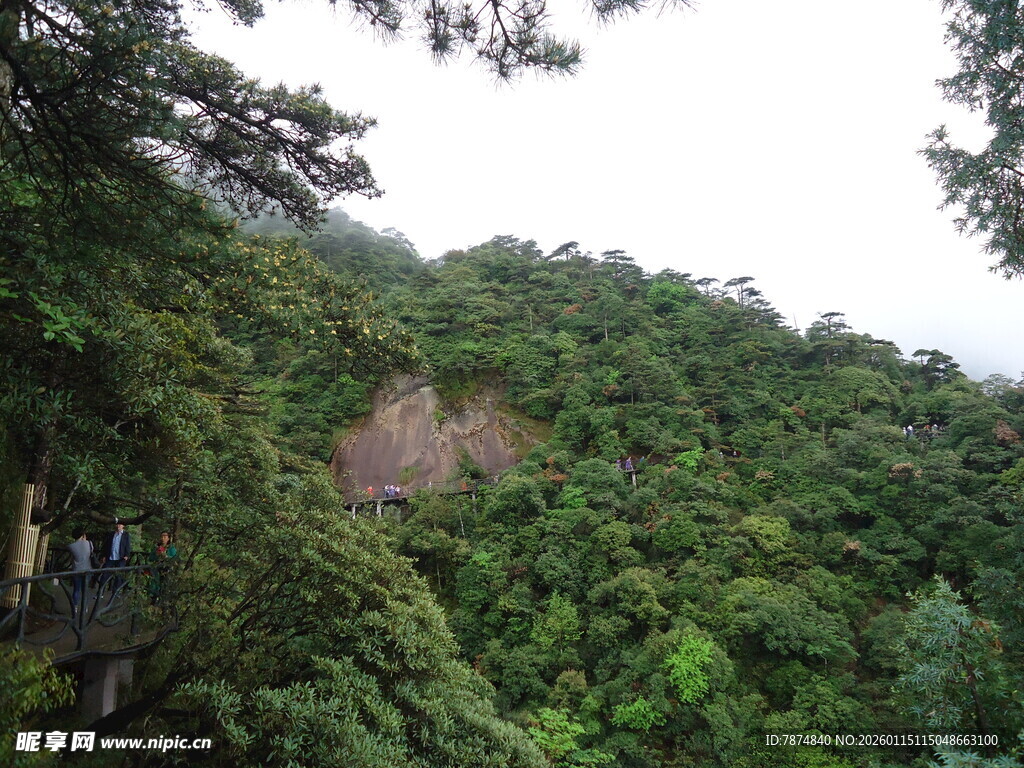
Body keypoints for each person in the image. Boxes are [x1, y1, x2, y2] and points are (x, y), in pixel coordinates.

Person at [67, 527, 93, 617]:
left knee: (76, 589)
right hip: (87, 569)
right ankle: (84, 607)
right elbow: (90, 553)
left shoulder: (71, 546)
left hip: (76, 570)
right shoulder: (89, 543)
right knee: (85, 589)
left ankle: (74, 607)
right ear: (83, 535)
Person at [99, 521, 132, 589]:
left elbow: (128, 546)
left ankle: (115, 592)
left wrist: (127, 555)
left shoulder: (126, 535)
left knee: (118, 576)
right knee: (104, 574)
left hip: (120, 558)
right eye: (117, 524)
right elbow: (106, 545)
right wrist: (104, 555)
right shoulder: (111, 534)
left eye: (120, 524)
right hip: (110, 557)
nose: (118, 526)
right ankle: (100, 593)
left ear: (123, 526)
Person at [147, 531, 177, 601]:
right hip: (157, 568)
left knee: (164, 585)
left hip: (166, 569)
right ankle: (153, 598)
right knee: (155, 583)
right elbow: (151, 558)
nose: (163, 538)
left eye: (165, 537)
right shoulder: (157, 547)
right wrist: (156, 555)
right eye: (162, 536)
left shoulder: (171, 548)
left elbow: (174, 559)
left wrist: (165, 556)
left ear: (168, 538)